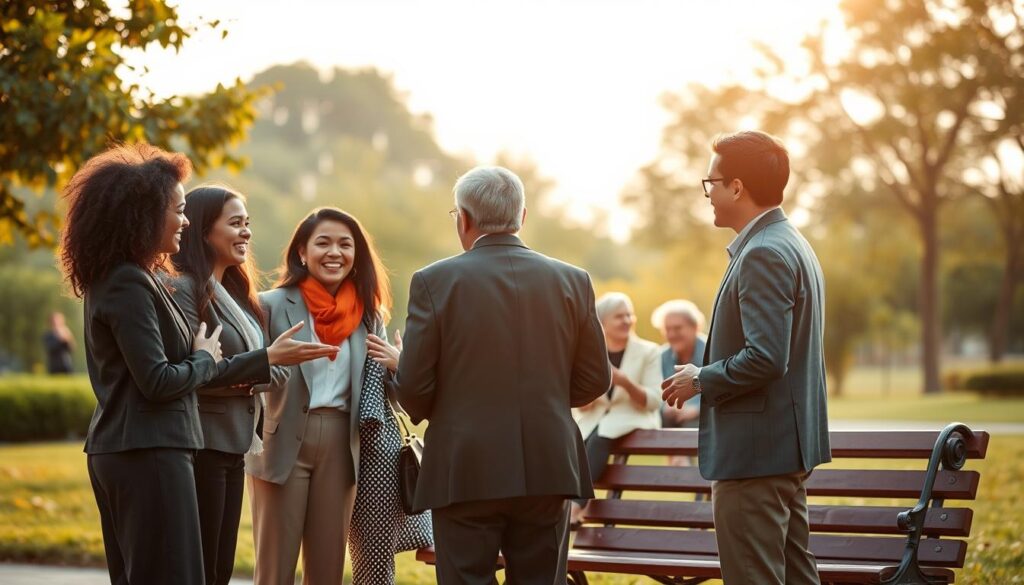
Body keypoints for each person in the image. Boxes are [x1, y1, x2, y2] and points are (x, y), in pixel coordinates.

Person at [394, 166, 611, 585]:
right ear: (522, 217)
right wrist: (545, 400)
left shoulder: (434, 282)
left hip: (465, 464)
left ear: (463, 218)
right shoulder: (573, 281)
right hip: (548, 461)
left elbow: (414, 391)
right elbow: (595, 379)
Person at [662, 130, 830, 585]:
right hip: (781, 451)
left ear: (736, 186)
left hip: (755, 456)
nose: (708, 194)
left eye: (710, 183)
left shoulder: (763, 253)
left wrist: (700, 378)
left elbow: (766, 357)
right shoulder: (790, 241)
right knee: (794, 574)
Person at [59, 143, 224, 585]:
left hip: (140, 449)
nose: (186, 221)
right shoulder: (127, 282)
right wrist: (204, 360)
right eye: (181, 209)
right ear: (146, 214)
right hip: (146, 451)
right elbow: (155, 379)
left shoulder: (131, 276)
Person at [169, 186, 339, 585]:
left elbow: (263, 368)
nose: (246, 233)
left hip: (236, 442)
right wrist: (259, 366)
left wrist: (265, 364)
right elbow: (191, 370)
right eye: (235, 223)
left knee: (221, 568)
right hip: (203, 442)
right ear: (202, 230)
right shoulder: (184, 290)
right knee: (205, 566)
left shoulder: (237, 294)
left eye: (248, 224)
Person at [246, 207, 417, 585]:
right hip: (282, 443)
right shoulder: (271, 305)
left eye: (345, 244)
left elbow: (393, 397)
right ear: (302, 252)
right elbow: (248, 374)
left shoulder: (370, 315)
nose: (334, 252)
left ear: (357, 255)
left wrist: (399, 365)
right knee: (274, 571)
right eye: (322, 243)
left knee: (326, 572)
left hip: (343, 447)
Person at [570, 292, 662, 526]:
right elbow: (582, 405)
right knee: (576, 442)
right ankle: (570, 508)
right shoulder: (590, 354)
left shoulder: (649, 351)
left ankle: (574, 507)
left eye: (629, 315)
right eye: (619, 316)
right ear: (602, 323)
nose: (627, 320)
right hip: (595, 421)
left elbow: (654, 401)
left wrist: (624, 382)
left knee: (600, 438)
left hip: (634, 418)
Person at [652, 299, 707, 430]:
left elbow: (721, 388)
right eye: (667, 329)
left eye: (677, 328)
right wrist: (665, 408)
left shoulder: (712, 351)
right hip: (669, 419)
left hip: (702, 418)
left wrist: (697, 410)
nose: (671, 334)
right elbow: (653, 390)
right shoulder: (660, 356)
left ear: (695, 327)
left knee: (694, 425)